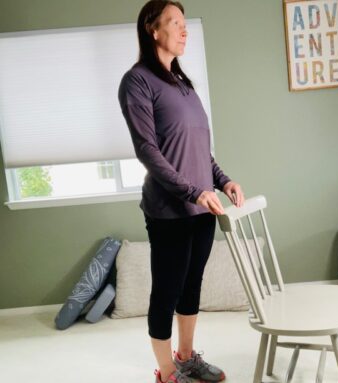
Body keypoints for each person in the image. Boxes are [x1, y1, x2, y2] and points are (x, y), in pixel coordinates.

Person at [118, 1, 245, 382]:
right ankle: (167, 370)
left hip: (202, 206)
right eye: (175, 22)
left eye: (185, 23)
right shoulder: (137, 81)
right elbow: (148, 151)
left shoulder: (184, 84)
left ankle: (187, 356)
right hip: (170, 209)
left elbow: (199, 149)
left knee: (192, 287)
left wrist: (223, 180)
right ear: (152, 29)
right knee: (167, 291)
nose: (184, 29)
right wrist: (193, 191)